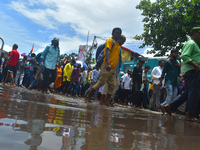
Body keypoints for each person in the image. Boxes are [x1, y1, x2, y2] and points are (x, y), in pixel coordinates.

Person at [164, 27, 200, 122]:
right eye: (199, 34)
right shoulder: (191, 43)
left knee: (187, 93)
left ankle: (170, 106)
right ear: (195, 34)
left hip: (190, 71)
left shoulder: (195, 44)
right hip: (192, 71)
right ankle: (191, 114)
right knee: (194, 92)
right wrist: (196, 66)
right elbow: (185, 56)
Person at [85, 27, 122, 106]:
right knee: (100, 83)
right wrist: (108, 62)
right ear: (112, 34)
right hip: (107, 65)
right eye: (117, 33)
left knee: (112, 85)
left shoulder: (118, 45)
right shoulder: (110, 41)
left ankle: (107, 101)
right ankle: (88, 96)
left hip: (113, 68)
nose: (118, 34)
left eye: (119, 33)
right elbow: (108, 51)